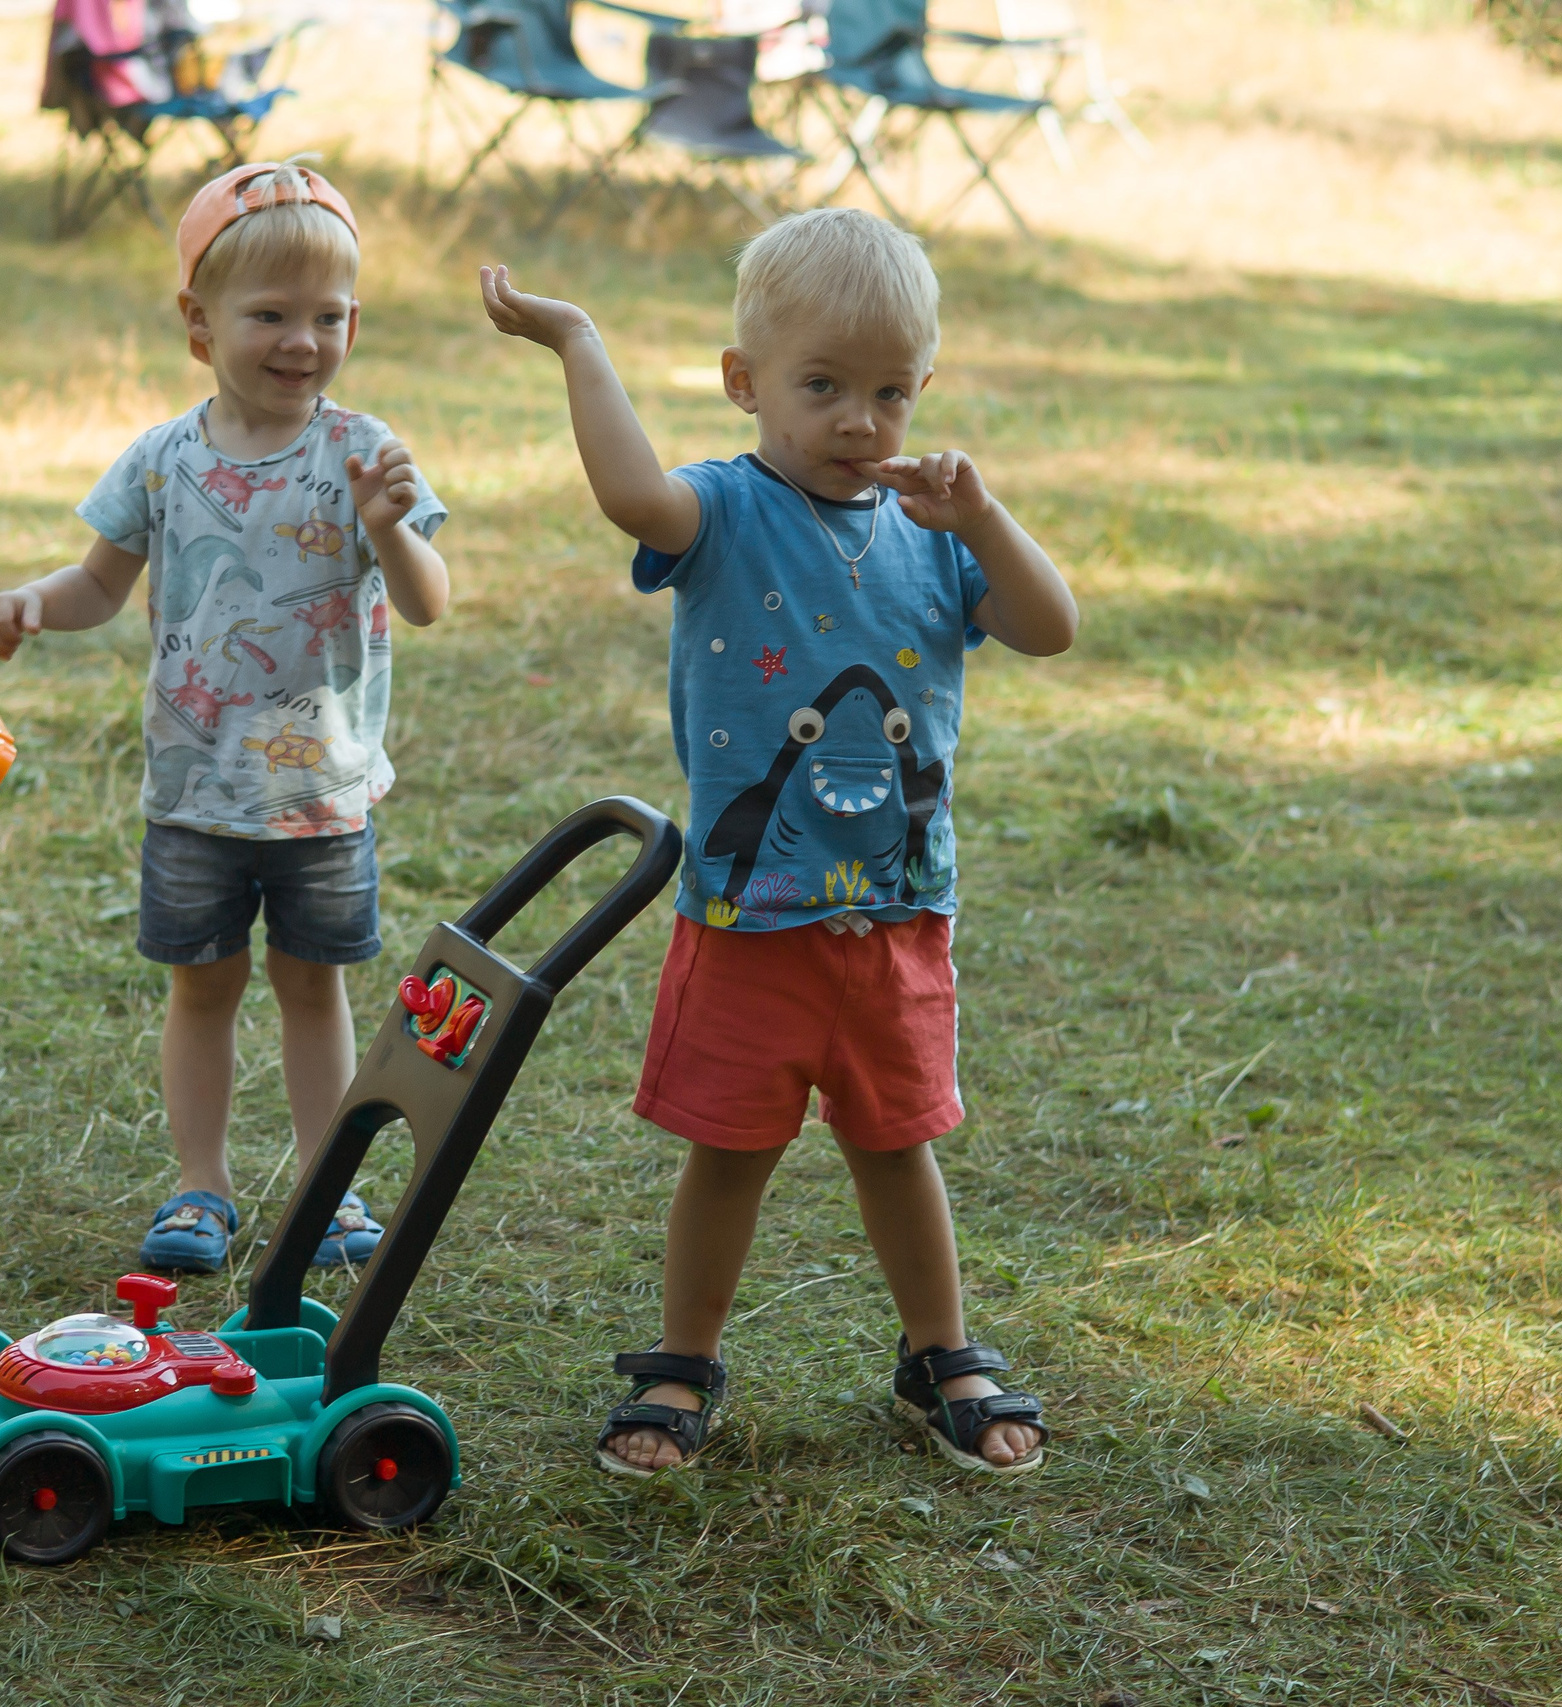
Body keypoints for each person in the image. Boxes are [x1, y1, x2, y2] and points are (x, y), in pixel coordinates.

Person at [479, 209, 1074, 1476]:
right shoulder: (722, 511)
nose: (859, 422)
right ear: (745, 384)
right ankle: (681, 1361)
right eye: (821, 387)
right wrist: (580, 343)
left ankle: (939, 1350)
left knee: (895, 1144)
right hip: (749, 920)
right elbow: (626, 494)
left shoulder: (934, 530)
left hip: (896, 917)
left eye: (890, 392)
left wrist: (985, 521)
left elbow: (1050, 626)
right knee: (730, 1151)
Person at [0, 162, 450, 1272]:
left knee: (309, 987)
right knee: (203, 988)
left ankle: (326, 1189)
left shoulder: (362, 454)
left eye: (327, 317)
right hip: (192, 792)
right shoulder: (163, 458)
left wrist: (389, 529)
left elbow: (427, 602)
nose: (301, 341)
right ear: (199, 324)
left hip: (318, 796)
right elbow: (100, 584)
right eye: (270, 315)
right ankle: (199, 1188)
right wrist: (36, 605)